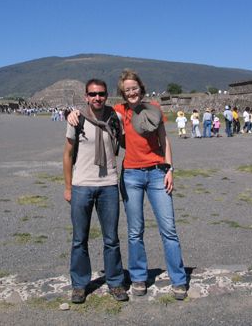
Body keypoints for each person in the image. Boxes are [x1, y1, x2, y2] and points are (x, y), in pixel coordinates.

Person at [114, 69, 187, 300]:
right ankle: (138, 278)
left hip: (157, 173)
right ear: (122, 93)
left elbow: (164, 140)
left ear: (140, 88)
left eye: (134, 88)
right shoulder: (119, 111)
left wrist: (170, 170)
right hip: (131, 175)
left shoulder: (154, 108)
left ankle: (179, 279)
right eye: (127, 90)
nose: (131, 92)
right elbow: (95, 114)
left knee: (169, 229)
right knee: (135, 231)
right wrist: (74, 114)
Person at [62, 79, 128, 304]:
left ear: (107, 95)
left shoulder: (115, 118)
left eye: (101, 94)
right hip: (82, 186)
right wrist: (68, 187)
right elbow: (67, 155)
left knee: (111, 239)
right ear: (86, 96)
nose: (97, 98)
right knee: (79, 239)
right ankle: (80, 285)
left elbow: (131, 142)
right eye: (93, 94)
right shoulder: (76, 119)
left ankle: (116, 282)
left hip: (108, 185)